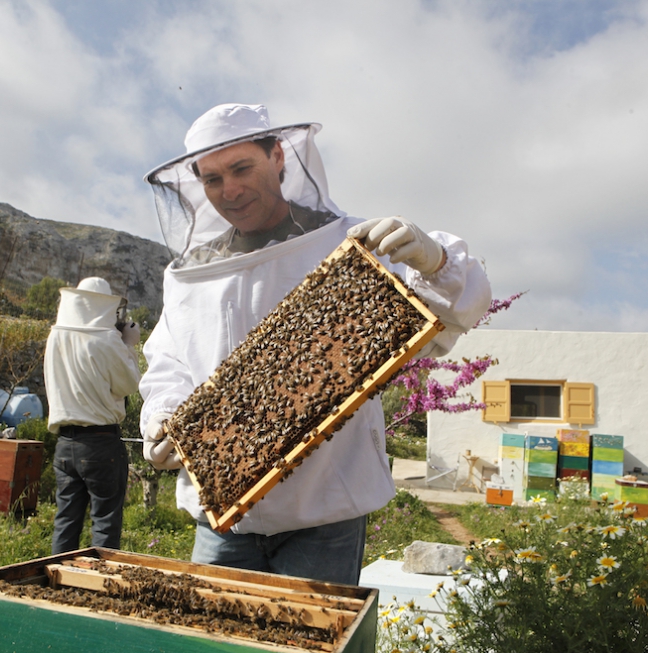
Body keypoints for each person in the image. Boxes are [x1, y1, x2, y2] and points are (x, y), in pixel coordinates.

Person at [138, 103, 492, 585]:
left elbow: (458, 307)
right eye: (213, 179)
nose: (230, 190)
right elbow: (168, 359)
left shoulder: (351, 245)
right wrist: (164, 415)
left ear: (278, 156)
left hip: (323, 515)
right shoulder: (193, 273)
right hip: (222, 519)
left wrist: (434, 261)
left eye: (242, 168)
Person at [44, 277, 142, 553]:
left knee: (65, 522)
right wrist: (129, 345)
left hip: (65, 444)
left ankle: (58, 577)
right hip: (100, 443)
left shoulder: (56, 336)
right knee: (105, 525)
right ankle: (99, 579)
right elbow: (129, 385)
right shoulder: (106, 339)